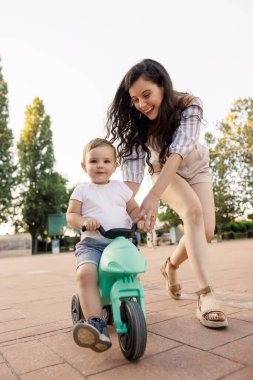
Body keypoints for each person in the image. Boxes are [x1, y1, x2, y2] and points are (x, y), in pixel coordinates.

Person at [106, 58, 228, 329]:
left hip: (195, 165)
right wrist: (116, 208)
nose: (141, 104)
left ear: (163, 85)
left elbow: (178, 152)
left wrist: (153, 198)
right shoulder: (137, 124)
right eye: (135, 99)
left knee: (205, 231)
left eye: (146, 95)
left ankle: (170, 266)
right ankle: (205, 296)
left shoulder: (189, 104)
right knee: (192, 212)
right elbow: (133, 180)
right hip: (162, 171)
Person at [66, 138, 144, 352]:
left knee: (132, 273)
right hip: (92, 244)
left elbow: (134, 210)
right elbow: (72, 215)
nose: (100, 165)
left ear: (115, 165)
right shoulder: (82, 190)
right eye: (93, 161)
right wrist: (83, 221)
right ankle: (95, 322)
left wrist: (141, 219)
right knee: (85, 275)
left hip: (120, 243)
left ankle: (132, 312)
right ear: (84, 166)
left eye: (106, 161)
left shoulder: (121, 188)